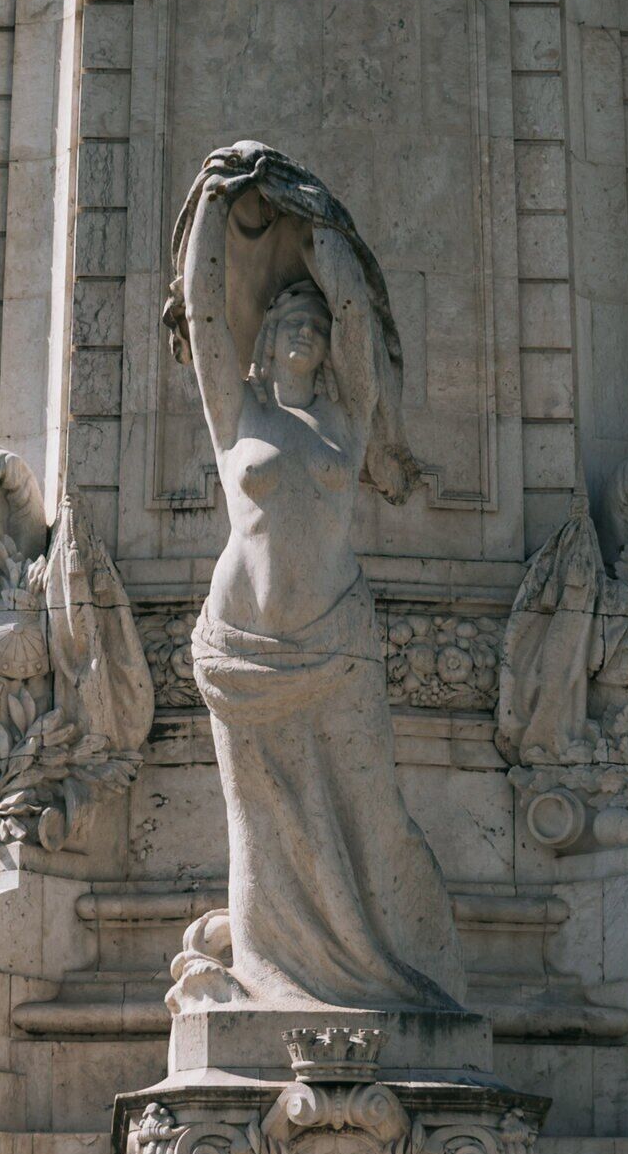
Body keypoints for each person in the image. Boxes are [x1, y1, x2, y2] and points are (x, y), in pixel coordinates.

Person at [164, 141, 465, 1013]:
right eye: (288, 316)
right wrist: (216, 206)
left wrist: (321, 230)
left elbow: (359, 317)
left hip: (335, 641)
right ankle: (270, 972)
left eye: (315, 321)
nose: (305, 325)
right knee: (259, 828)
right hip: (243, 651)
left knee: (375, 819)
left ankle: (394, 972)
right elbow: (205, 316)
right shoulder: (239, 415)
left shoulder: (348, 422)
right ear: (265, 342)